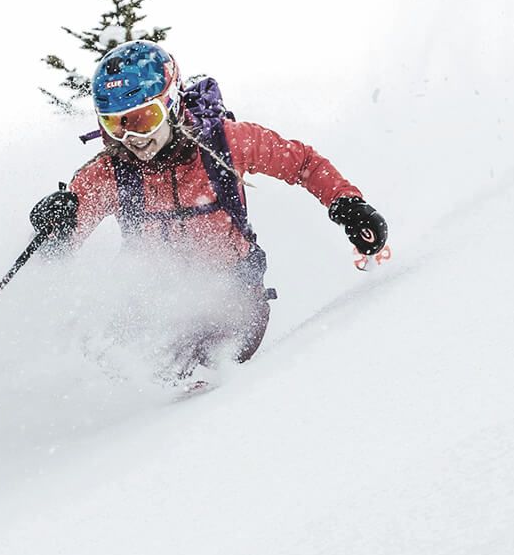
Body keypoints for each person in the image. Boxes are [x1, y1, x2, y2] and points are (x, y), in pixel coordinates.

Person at [29, 40, 387, 381]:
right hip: (151, 305)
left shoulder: (224, 143)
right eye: (113, 123)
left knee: (196, 364)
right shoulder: (113, 170)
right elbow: (61, 245)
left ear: (169, 103)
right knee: (110, 351)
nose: (130, 137)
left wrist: (348, 205)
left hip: (234, 298)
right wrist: (55, 226)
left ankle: (196, 413)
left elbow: (302, 164)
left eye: (142, 120)